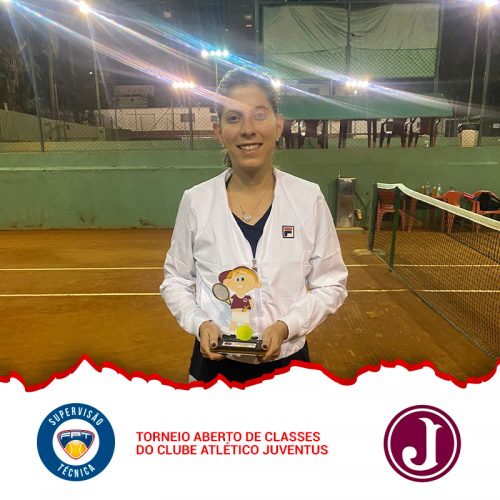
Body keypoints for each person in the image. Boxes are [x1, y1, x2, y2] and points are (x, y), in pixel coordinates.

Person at [160, 69, 348, 383]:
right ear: (218, 131)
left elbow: (331, 284)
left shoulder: (308, 198)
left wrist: (286, 327)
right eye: (234, 118)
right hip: (213, 371)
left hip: (288, 368)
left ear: (278, 125)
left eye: (259, 115)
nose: (248, 129)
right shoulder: (196, 201)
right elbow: (176, 281)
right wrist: (200, 324)